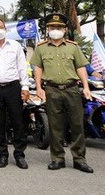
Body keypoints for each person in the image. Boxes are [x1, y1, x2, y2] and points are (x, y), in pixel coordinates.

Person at [31, 13, 93, 173]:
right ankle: (57, 159)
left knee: (77, 124)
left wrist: (86, 86)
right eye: (52, 27)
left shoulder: (73, 47)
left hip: (72, 89)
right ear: (48, 29)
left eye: (59, 27)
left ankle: (80, 159)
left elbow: (80, 67)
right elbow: (38, 68)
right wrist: (39, 87)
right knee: (55, 125)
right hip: (51, 90)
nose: (55, 30)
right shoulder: (41, 48)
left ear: (65, 30)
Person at [0, 18, 30, 169]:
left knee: (17, 122)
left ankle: (20, 155)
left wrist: (25, 87)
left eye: (1, 27)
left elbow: (22, 67)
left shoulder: (15, 46)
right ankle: (2, 155)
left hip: (13, 87)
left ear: (6, 29)